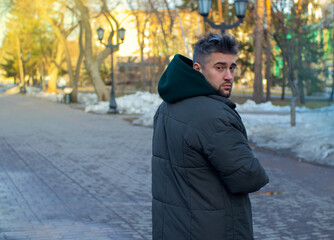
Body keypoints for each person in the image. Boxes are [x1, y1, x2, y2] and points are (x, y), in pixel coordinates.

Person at [151, 33, 269, 240]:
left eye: (232, 68)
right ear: (198, 69)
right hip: (212, 230)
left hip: (172, 228)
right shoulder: (214, 116)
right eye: (219, 68)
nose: (229, 76)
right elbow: (248, 176)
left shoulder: (166, 107)